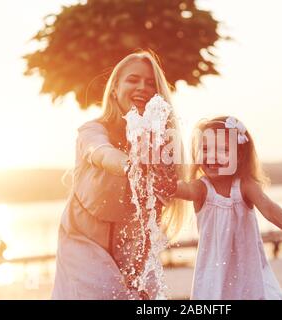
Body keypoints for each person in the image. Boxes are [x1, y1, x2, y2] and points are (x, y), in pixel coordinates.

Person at [52, 50, 185, 300]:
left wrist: (139, 269)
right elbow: (100, 153)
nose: (142, 88)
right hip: (82, 239)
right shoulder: (92, 130)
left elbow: (152, 215)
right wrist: (131, 165)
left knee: (149, 297)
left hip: (131, 243)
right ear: (115, 88)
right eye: (133, 80)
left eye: (150, 83)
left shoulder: (161, 143)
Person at [173, 116, 282, 300]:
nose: (212, 156)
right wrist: (165, 183)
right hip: (214, 274)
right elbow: (181, 189)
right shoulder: (201, 188)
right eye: (206, 149)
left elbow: (269, 207)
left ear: (239, 156)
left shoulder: (244, 186)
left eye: (223, 150)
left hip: (249, 269)